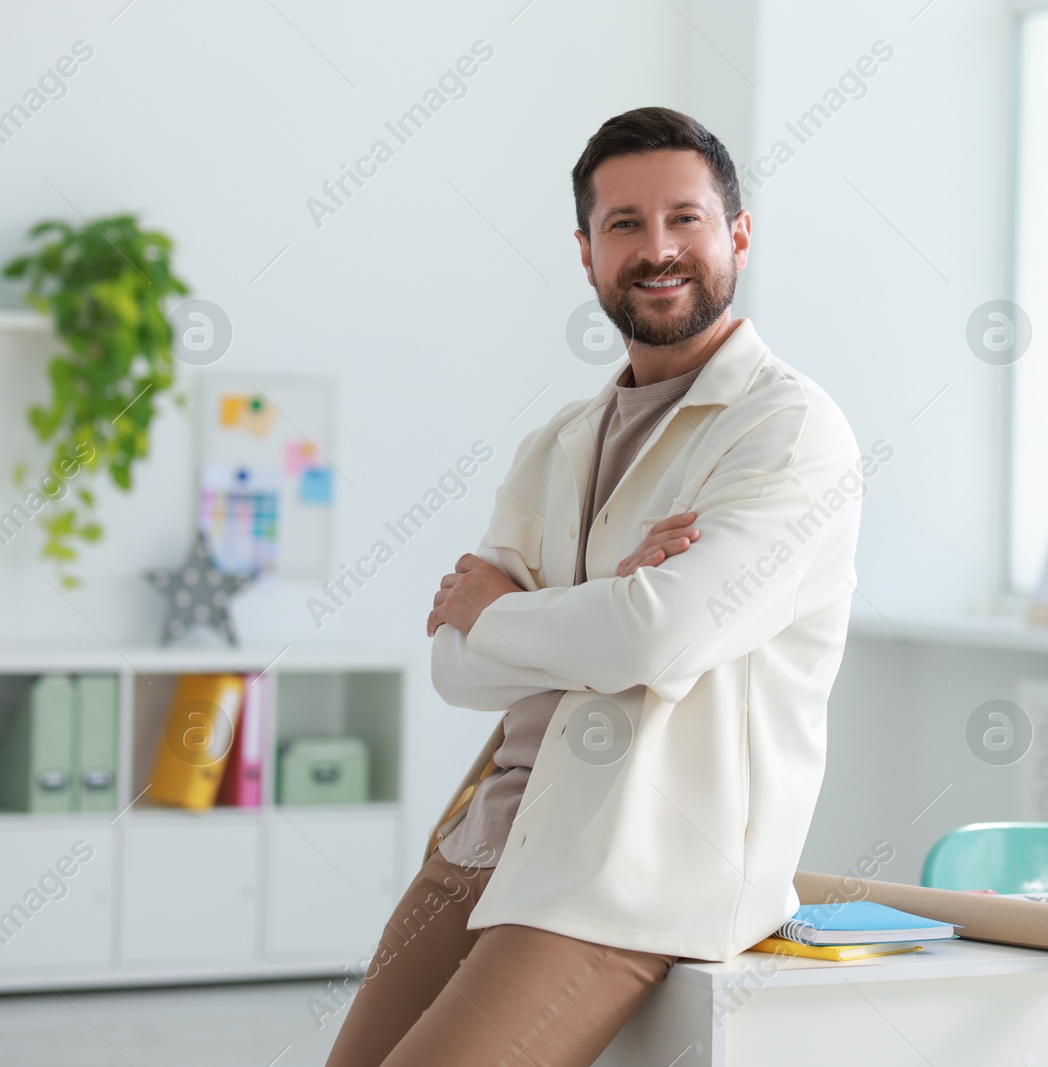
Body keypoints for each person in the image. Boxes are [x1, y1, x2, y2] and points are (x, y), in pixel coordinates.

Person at [324, 106, 864, 1067]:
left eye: (685, 218)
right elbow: (456, 664)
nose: (657, 248)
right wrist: (599, 608)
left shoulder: (788, 431)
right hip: (488, 836)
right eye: (624, 225)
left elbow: (658, 638)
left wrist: (512, 610)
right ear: (586, 254)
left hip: (630, 864)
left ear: (737, 234)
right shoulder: (557, 443)